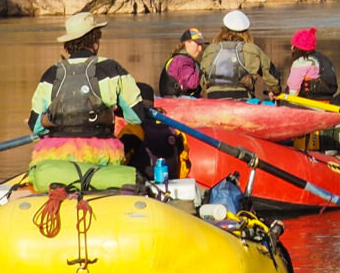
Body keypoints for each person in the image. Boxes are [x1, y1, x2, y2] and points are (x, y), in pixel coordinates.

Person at [26, 13, 151, 181]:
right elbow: (136, 117)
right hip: (101, 156)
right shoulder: (111, 69)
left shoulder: (50, 75)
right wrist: (117, 110)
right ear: (95, 41)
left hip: (56, 156)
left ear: (68, 44)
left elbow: (35, 125)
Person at [200, 9, 280, 100]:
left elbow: (203, 78)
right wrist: (276, 91)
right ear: (246, 32)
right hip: (243, 98)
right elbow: (272, 76)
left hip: (213, 97)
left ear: (223, 30)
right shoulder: (252, 50)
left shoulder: (211, 49)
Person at [283, 27, 338, 99]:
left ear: (297, 48)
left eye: (293, 45)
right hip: (326, 101)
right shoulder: (322, 59)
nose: (291, 47)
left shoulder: (300, 63)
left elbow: (293, 90)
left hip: (308, 103)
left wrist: (281, 98)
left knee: (266, 101)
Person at [158, 25, 207, 98]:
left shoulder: (186, 59)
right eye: (198, 44)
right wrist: (207, 70)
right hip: (175, 102)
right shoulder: (181, 61)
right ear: (186, 43)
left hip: (185, 100)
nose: (200, 49)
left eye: (201, 45)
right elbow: (190, 83)